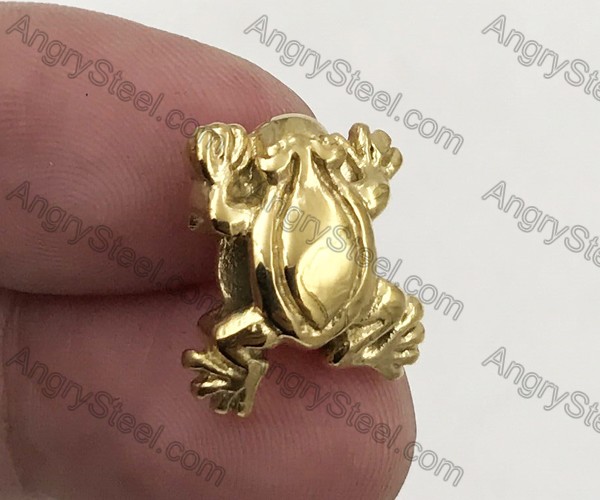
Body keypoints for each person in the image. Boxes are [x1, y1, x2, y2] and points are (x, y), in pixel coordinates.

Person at [0, 3, 417, 498]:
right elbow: (367, 198)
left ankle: (241, 375)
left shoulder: (273, 198)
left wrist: (223, 179)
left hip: (281, 317)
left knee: (230, 334)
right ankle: (322, 356)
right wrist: (370, 173)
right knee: (389, 305)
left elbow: (226, 217)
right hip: (329, 307)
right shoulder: (328, 193)